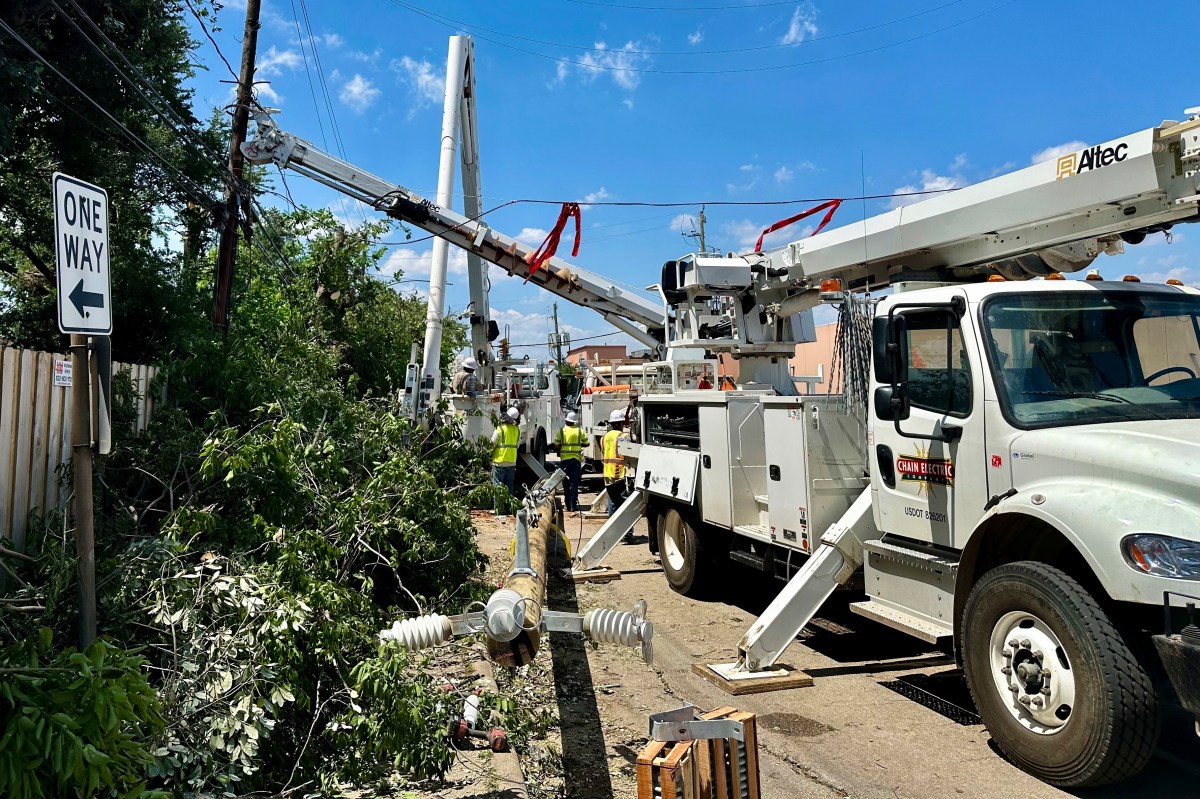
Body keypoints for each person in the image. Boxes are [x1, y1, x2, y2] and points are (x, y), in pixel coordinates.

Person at [601, 409, 635, 542]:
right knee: (625, 506)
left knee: (613, 505)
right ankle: (627, 535)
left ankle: (614, 534)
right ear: (620, 423)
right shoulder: (623, 437)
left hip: (607, 475)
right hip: (620, 475)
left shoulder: (604, 438)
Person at [491, 407, 520, 516]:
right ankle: (509, 508)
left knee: (498, 486)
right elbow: (517, 445)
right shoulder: (517, 430)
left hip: (499, 461)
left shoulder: (499, 429)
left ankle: (499, 509)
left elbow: (492, 444)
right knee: (509, 487)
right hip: (511, 461)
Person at [555, 411, 584, 512]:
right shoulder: (580, 431)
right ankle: (573, 506)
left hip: (565, 461)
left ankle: (567, 505)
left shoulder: (561, 431)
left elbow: (556, 445)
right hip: (576, 460)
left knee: (566, 484)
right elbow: (586, 443)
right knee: (574, 484)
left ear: (566, 420)